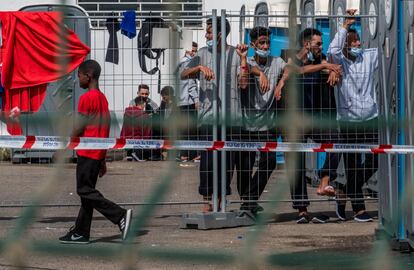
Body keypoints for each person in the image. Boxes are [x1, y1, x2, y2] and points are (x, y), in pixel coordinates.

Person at [59, 60, 132, 244]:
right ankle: (81, 233)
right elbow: (104, 129)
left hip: (87, 152)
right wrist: (103, 158)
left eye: (79, 76)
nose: (78, 80)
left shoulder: (87, 98)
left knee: (84, 190)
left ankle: (120, 215)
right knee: (87, 194)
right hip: (97, 153)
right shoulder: (102, 98)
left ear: (88, 76)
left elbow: (78, 126)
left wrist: (65, 147)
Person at [181, 16, 248, 212]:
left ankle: (221, 199)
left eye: (209, 32)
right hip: (209, 116)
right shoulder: (202, 53)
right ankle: (207, 199)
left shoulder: (235, 54)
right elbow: (183, 74)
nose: (205, 35)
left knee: (228, 161)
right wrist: (199, 67)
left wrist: (244, 59)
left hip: (232, 117)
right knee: (209, 160)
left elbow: (243, 84)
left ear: (219, 34)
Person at [280, 28, 342, 223]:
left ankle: (324, 180)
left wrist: (333, 71)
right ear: (307, 44)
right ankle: (302, 210)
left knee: (335, 141)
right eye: (318, 43)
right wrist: (329, 67)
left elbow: (330, 67)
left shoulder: (320, 58)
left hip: (314, 120)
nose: (320, 47)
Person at [328, 9, 378, 222]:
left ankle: (344, 190)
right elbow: (332, 49)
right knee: (352, 163)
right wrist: (345, 26)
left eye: (358, 41)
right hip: (348, 120)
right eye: (353, 41)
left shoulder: (369, 57)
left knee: (378, 158)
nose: (358, 44)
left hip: (370, 117)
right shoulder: (339, 63)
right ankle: (359, 209)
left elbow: (391, 46)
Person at [238, 26, 288, 213]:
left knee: (270, 161)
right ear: (252, 44)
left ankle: (249, 201)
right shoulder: (247, 61)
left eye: (268, 42)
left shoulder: (276, 61)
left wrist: (281, 83)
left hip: (269, 123)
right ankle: (247, 200)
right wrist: (259, 73)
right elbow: (242, 82)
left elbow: (291, 68)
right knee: (245, 166)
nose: (266, 46)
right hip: (247, 123)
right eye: (261, 43)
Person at [177, 42, 200, 162]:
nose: (194, 53)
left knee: (184, 130)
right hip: (188, 101)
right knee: (192, 129)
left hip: (181, 101)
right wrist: (196, 100)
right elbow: (191, 85)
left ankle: (184, 154)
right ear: (186, 51)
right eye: (192, 50)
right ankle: (193, 154)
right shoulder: (188, 63)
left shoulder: (180, 62)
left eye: (195, 51)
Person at [129, 84, 161, 161]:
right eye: (142, 93)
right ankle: (132, 153)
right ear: (138, 93)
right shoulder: (133, 103)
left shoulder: (152, 104)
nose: (144, 96)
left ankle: (154, 154)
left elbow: (158, 115)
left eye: (146, 94)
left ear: (148, 94)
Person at [120, 96, 152, 161]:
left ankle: (130, 154)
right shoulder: (145, 116)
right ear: (144, 104)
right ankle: (137, 155)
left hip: (126, 141)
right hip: (138, 144)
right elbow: (147, 133)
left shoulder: (126, 113)